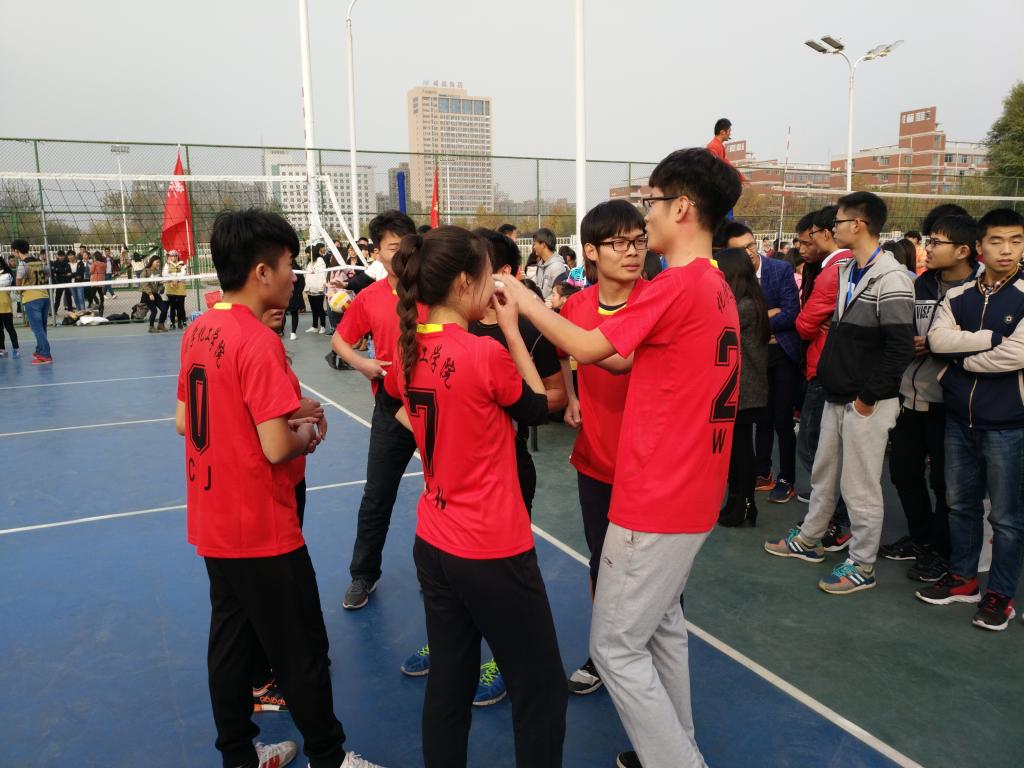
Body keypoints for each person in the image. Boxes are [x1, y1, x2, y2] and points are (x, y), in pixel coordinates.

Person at [496, 147, 742, 768]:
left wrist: (524, 300)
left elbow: (585, 346)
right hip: (694, 491)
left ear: (681, 207)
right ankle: (676, 747)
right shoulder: (712, 284)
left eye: (652, 203)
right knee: (663, 629)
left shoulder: (677, 284)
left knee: (613, 649)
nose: (646, 217)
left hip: (657, 495)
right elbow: (622, 356)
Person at [175, 208, 384, 768]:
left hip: (213, 516)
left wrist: (277, 412)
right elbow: (275, 447)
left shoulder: (198, 328)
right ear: (262, 271)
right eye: (290, 264)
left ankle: (238, 756)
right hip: (261, 524)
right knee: (302, 649)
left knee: (231, 643)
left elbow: (183, 420)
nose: (295, 275)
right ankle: (330, 758)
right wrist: (308, 431)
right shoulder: (257, 340)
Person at [390, 225, 566, 768]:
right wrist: (511, 329)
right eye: (488, 274)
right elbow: (537, 406)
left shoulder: (408, 347)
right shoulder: (481, 353)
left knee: (449, 680)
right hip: (490, 547)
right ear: (465, 281)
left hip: (434, 539)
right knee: (540, 690)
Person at [765, 191, 915, 594]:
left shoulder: (892, 278)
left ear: (859, 225)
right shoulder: (848, 269)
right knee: (824, 473)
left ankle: (862, 564)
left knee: (860, 486)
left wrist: (867, 398)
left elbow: (899, 348)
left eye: (839, 222)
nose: (833, 229)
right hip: (837, 392)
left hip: (865, 401)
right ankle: (810, 539)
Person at [557, 199, 648, 697]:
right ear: (591, 251)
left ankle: (652, 657)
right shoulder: (576, 306)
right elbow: (567, 353)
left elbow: (616, 358)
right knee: (602, 562)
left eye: (639, 240)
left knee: (655, 576)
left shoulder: (659, 300)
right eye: (619, 242)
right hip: (594, 458)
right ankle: (603, 652)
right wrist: (572, 397)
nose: (632, 251)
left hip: (649, 466)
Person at [919, 208, 1024, 631]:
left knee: (1006, 517)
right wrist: (988, 340)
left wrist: (962, 361)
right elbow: (937, 339)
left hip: (1008, 424)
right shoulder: (959, 294)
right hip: (958, 418)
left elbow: (1017, 353)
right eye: (997, 241)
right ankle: (963, 579)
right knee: (960, 505)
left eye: (1016, 240)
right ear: (979, 247)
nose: (1007, 249)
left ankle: (1000, 594)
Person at [880, 214, 979, 583]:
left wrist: (938, 345)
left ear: (963, 250)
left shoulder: (980, 290)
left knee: (945, 484)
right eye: (928, 241)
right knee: (903, 474)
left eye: (936, 242)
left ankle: (942, 551)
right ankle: (921, 539)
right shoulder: (921, 283)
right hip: (910, 395)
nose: (927, 249)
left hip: (949, 404)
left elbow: (983, 343)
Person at [332, 211, 420, 611]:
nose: (399, 253)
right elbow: (339, 341)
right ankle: (363, 574)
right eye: (391, 247)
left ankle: (439, 572)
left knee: (445, 494)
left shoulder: (434, 289)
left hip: (438, 406)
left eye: (405, 244)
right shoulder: (369, 298)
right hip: (391, 408)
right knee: (378, 495)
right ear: (377, 253)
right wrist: (362, 363)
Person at [716, 221, 801, 504]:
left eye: (751, 245)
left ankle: (786, 478)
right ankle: (762, 472)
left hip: (780, 354)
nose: (750, 252)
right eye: (741, 249)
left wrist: (760, 325)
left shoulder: (780, 269)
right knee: (760, 419)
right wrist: (765, 320)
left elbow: (791, 313)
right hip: (752, 358)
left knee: (782, 420)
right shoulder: (729, 279)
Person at [794, 206, 853, 550]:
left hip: (824, 369)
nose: (806, 245)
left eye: (810, 237)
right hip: (831, 367)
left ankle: (834, 520)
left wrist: (812, 322)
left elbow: (804, 325)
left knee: (816, 448)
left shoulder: (834, 271)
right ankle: (830, 518)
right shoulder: (844, 267)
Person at [715, 247, 770, 528]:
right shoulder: (749, 301)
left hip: (743, 390)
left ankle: (745, 504)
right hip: (743, 388)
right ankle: (737, 501)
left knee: (741, 451)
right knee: (736, 451)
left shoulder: (743, 306)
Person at [13, 240, 52, 365]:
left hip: (31, 299)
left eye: (13, 251)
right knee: (42, 327)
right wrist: (41, 282)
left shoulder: (23, 264)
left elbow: (18, 281)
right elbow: (48, 274)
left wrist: (20, 289)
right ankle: (40, 351)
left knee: (37, 328)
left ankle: (45, 355)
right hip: (44, 296)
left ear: (17, 251)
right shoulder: (39, 261)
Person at [705, 118, 747, 184]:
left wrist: (742, 178)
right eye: (729, 131)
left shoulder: (719, 146)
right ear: (722, 132)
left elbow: (728, 165)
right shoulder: (713, 146)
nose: (730, 134)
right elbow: (715, 168)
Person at [531, 228, 566, 300]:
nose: (534, 247)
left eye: (535, 244)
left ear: (543, 245)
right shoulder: (540, 265)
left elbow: (559, 296)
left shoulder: (557, 267)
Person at [141, 255, 169, 333]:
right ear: (152, 262)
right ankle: (151, 327)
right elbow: (144, 284)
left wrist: (161, 286)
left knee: (164, 309)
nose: (158, 264)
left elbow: (159, 284)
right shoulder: (146, 271)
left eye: (159, 262)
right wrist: (150, 293)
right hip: (147, 294)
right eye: (157, 262)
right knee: (154, 311)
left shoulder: (158, 272)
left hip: (156, 294)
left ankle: (161, 325)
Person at [0, 255, 20, 358]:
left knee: (10, 329)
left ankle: (16, 349)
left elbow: (4, 282)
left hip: (5, 306)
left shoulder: (6, 275)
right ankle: (2, 350)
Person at [163, 251, 189, 329]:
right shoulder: (166, 265)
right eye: (171, 256)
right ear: (168, 257)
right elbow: (165, 274)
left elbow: (183, 274)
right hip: (170, 288)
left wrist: (175, 278)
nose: (173, 257)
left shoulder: (183, 264)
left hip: (180, 288)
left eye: (175, 256)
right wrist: (175, 277)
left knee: (181, 306)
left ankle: (181, 321)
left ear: (177, 256)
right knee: (172, 307)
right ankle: (172, 322)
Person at [305, 245, 328, 334]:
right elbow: (307, 275)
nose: (307, 255)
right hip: (310, 289)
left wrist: (321, 287)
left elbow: (323, 275)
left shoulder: (320, 260)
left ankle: (323, 326)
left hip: (318, 289)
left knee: (319, 308)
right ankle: (314, 326)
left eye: (308, 253)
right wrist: (307, 287)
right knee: (313, 308)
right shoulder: (309, 262)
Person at [285, 255, 306, 340]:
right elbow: (302, 283)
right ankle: (293, 332)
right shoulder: (298, 270)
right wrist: (298, 292)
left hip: (285, 295)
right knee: (294, 314)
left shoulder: (284, 270)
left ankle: (280, 330)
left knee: (283, 314)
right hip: (295, 296)